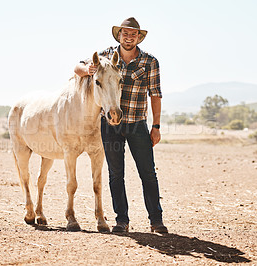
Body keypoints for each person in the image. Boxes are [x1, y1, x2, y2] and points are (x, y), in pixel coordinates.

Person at [74, 17, 168, 234]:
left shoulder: (149, 62)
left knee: (148, 173)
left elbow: (155, 94)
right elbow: (77, 68)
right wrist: (88, 69)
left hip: (137, 124)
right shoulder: (104, 56)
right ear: (119, 35)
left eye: (133, 34)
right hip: (110, 125)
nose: (129, 37)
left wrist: (157, 126)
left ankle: (156, 220)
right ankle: (121, 221)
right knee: (116, 174)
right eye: (125, 33)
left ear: (138, 37)